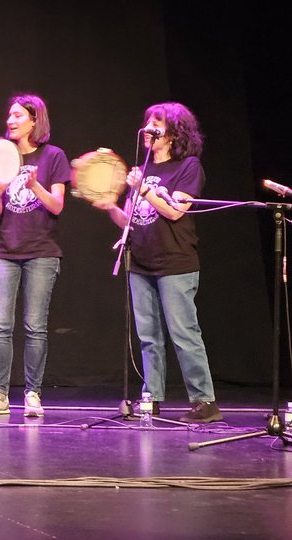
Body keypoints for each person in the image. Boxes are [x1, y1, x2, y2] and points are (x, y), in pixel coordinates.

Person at [93, 102, 221, 423]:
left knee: (183, 332)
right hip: (141, 262)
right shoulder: (143, 169)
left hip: (175, 262)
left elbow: (176, 211)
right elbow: (129, 221)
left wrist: (145, 191)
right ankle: (152, 398)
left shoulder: (188, 167)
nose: (149, 126)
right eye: (148, 121)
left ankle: (205, 401)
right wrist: (110, 206)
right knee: (149, 336)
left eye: (158, 122)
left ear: (175, 132)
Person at [0, 94, 69, 417]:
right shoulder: (2, 156)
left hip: (41, 252)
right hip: (4, 250)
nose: (10, 120)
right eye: (9, 115)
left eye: (17, 115)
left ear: (35, 120)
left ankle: (33, 393)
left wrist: (34, 186)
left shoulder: (53, 156)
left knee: (34, 325)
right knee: (0, 324)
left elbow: (57, 205)